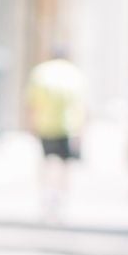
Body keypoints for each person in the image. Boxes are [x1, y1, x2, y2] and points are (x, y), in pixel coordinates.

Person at [25, 47, 87, 209]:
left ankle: (47, 192)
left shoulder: (41, 72)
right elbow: (80, 105)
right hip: (68, 125)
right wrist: (82, 129)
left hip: (44, 124)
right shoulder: (74, 74)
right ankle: (61, 195)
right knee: (65, 164)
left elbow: (32, 102)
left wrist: (31, 123)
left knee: (47, 161)